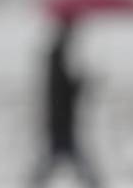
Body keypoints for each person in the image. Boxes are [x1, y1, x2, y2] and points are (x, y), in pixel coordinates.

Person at [31, 18, 101, 187]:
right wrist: (83, 82)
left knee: (56, 157)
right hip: (61, 120)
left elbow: (63, 90)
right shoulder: (58, 59)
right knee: (67, 156)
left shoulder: (55, 58)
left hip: (58, 119)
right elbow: (64, 92)